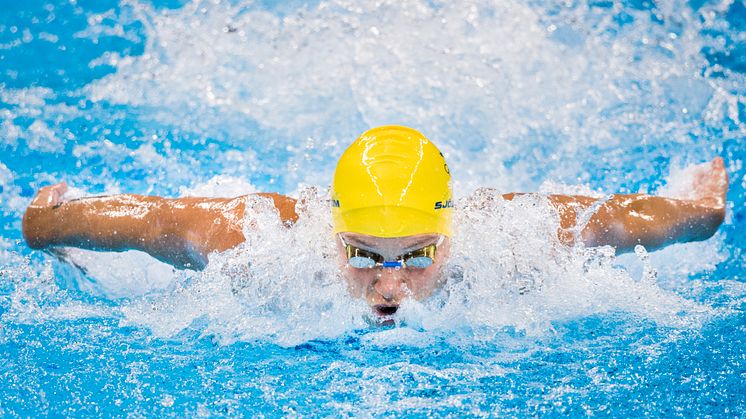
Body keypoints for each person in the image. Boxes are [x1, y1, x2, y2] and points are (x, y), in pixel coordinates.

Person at [22, 126, 728, 317]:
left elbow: (625, 219)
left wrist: (699, 212)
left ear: (452, 236)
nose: (390, 286)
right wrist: (48, 224)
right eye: (363, 254)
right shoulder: (257, 237)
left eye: (418, 255)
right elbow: (149, 221)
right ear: (330, 232)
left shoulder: (512, 238)